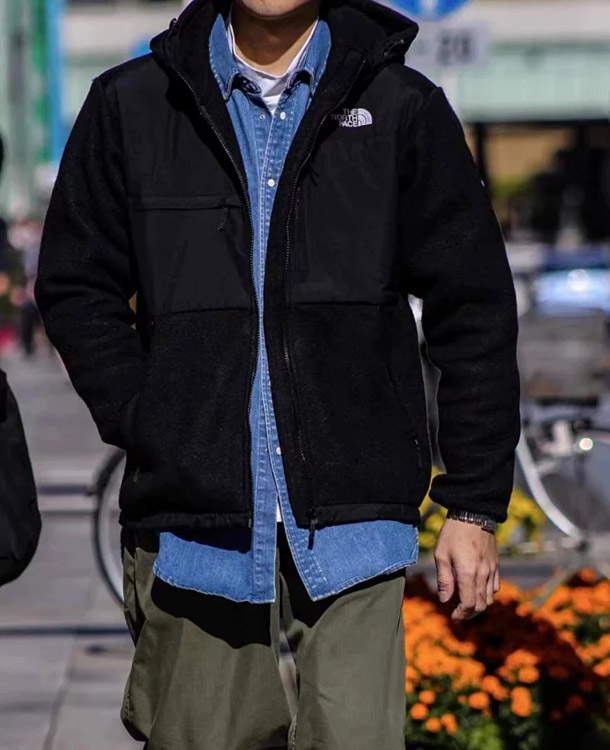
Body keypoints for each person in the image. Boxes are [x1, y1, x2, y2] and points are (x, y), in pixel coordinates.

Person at [35, 0, 520, 747]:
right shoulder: (132, 103)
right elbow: (76, 286)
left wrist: (474, 505)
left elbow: (474, 307)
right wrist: (148, 414)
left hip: (357, 522)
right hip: (196, 526)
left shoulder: (401, 106)